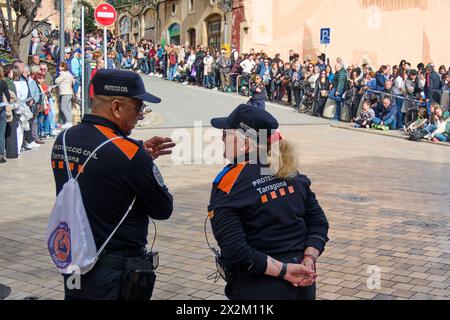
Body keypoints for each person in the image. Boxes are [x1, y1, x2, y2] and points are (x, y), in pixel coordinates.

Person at [51, 69, 175, 300]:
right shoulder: (130, 154)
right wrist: (140, 159)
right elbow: (163, 208)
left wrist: (137, 153)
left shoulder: (64, 139)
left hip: (74, 257)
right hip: (114, 270)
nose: (141, 116)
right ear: (117, 107)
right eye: (138, 108)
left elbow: (101, 166)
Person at [208, 104, 329, 300]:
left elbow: (236, 250)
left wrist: (285, 271)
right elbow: (319, 224)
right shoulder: (290, 172)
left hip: (260, 286)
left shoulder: (228, 183)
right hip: (303, 283)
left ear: (245, 144)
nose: (222, 138)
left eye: (226, 133)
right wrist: (308, 259)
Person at [54, 61, 75, 129]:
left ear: (63, 67)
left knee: (63, 108)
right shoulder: (69, 74)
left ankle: (68, 122)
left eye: (60, 66)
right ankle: (69, 122)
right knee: (68, 109)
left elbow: (57, 81)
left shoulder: (63, 74)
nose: (59, 67)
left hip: (65, 92)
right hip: (70, 92)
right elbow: (73, 81)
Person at [0, 65, 11, 163]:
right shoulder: (3, 83)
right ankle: (1, 155)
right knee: (1, 133)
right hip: (1, 109)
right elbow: (7, 96)